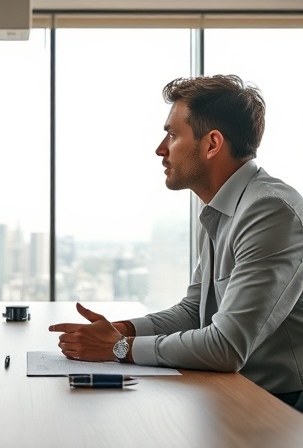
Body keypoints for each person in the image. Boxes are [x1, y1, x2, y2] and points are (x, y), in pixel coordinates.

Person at [49, 74, 303, 410]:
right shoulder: (219, 207)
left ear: (212, 144)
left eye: (172, 134)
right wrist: (119, 330)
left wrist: (118, 347)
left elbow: (226, 346)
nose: (160, 148)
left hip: (276, 408)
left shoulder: (268, 211)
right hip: (226, 393)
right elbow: (192, 313)